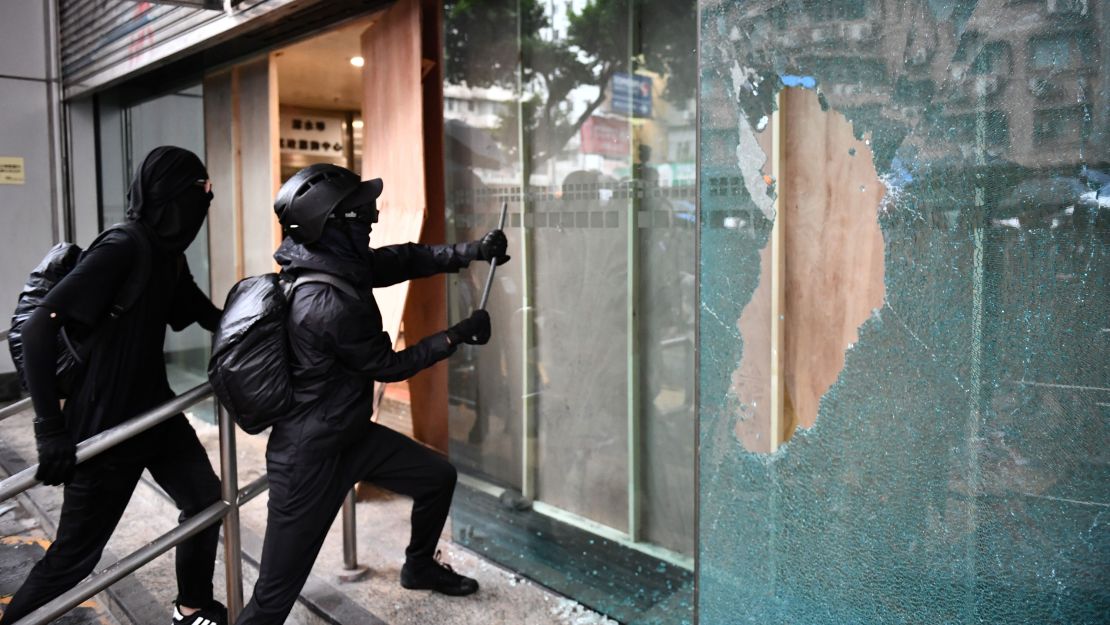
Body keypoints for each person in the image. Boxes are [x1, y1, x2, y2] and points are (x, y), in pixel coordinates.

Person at [235, 164, 506, 624]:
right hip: (309, 461)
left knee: (437, 478)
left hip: (350, 436)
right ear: (332, 225)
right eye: (362, 214)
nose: (373, 219)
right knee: (274, 597)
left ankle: (419, 567)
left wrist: (471, 250)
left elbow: (400, 259)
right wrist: (458, 335)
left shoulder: (333, 261)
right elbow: (390, 365)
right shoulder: (326, 303)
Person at [0, 147, 227, 625]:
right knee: (72, 561)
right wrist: (50, 428)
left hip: (153, 414)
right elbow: (39, 328)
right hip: (103, 426)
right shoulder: (122, 247)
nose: (208, 200)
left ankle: (191, 608)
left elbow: (207, 315)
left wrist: (266, 323)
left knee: (206, 500)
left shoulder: (169, 255)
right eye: (201, 190)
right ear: (171, 195)